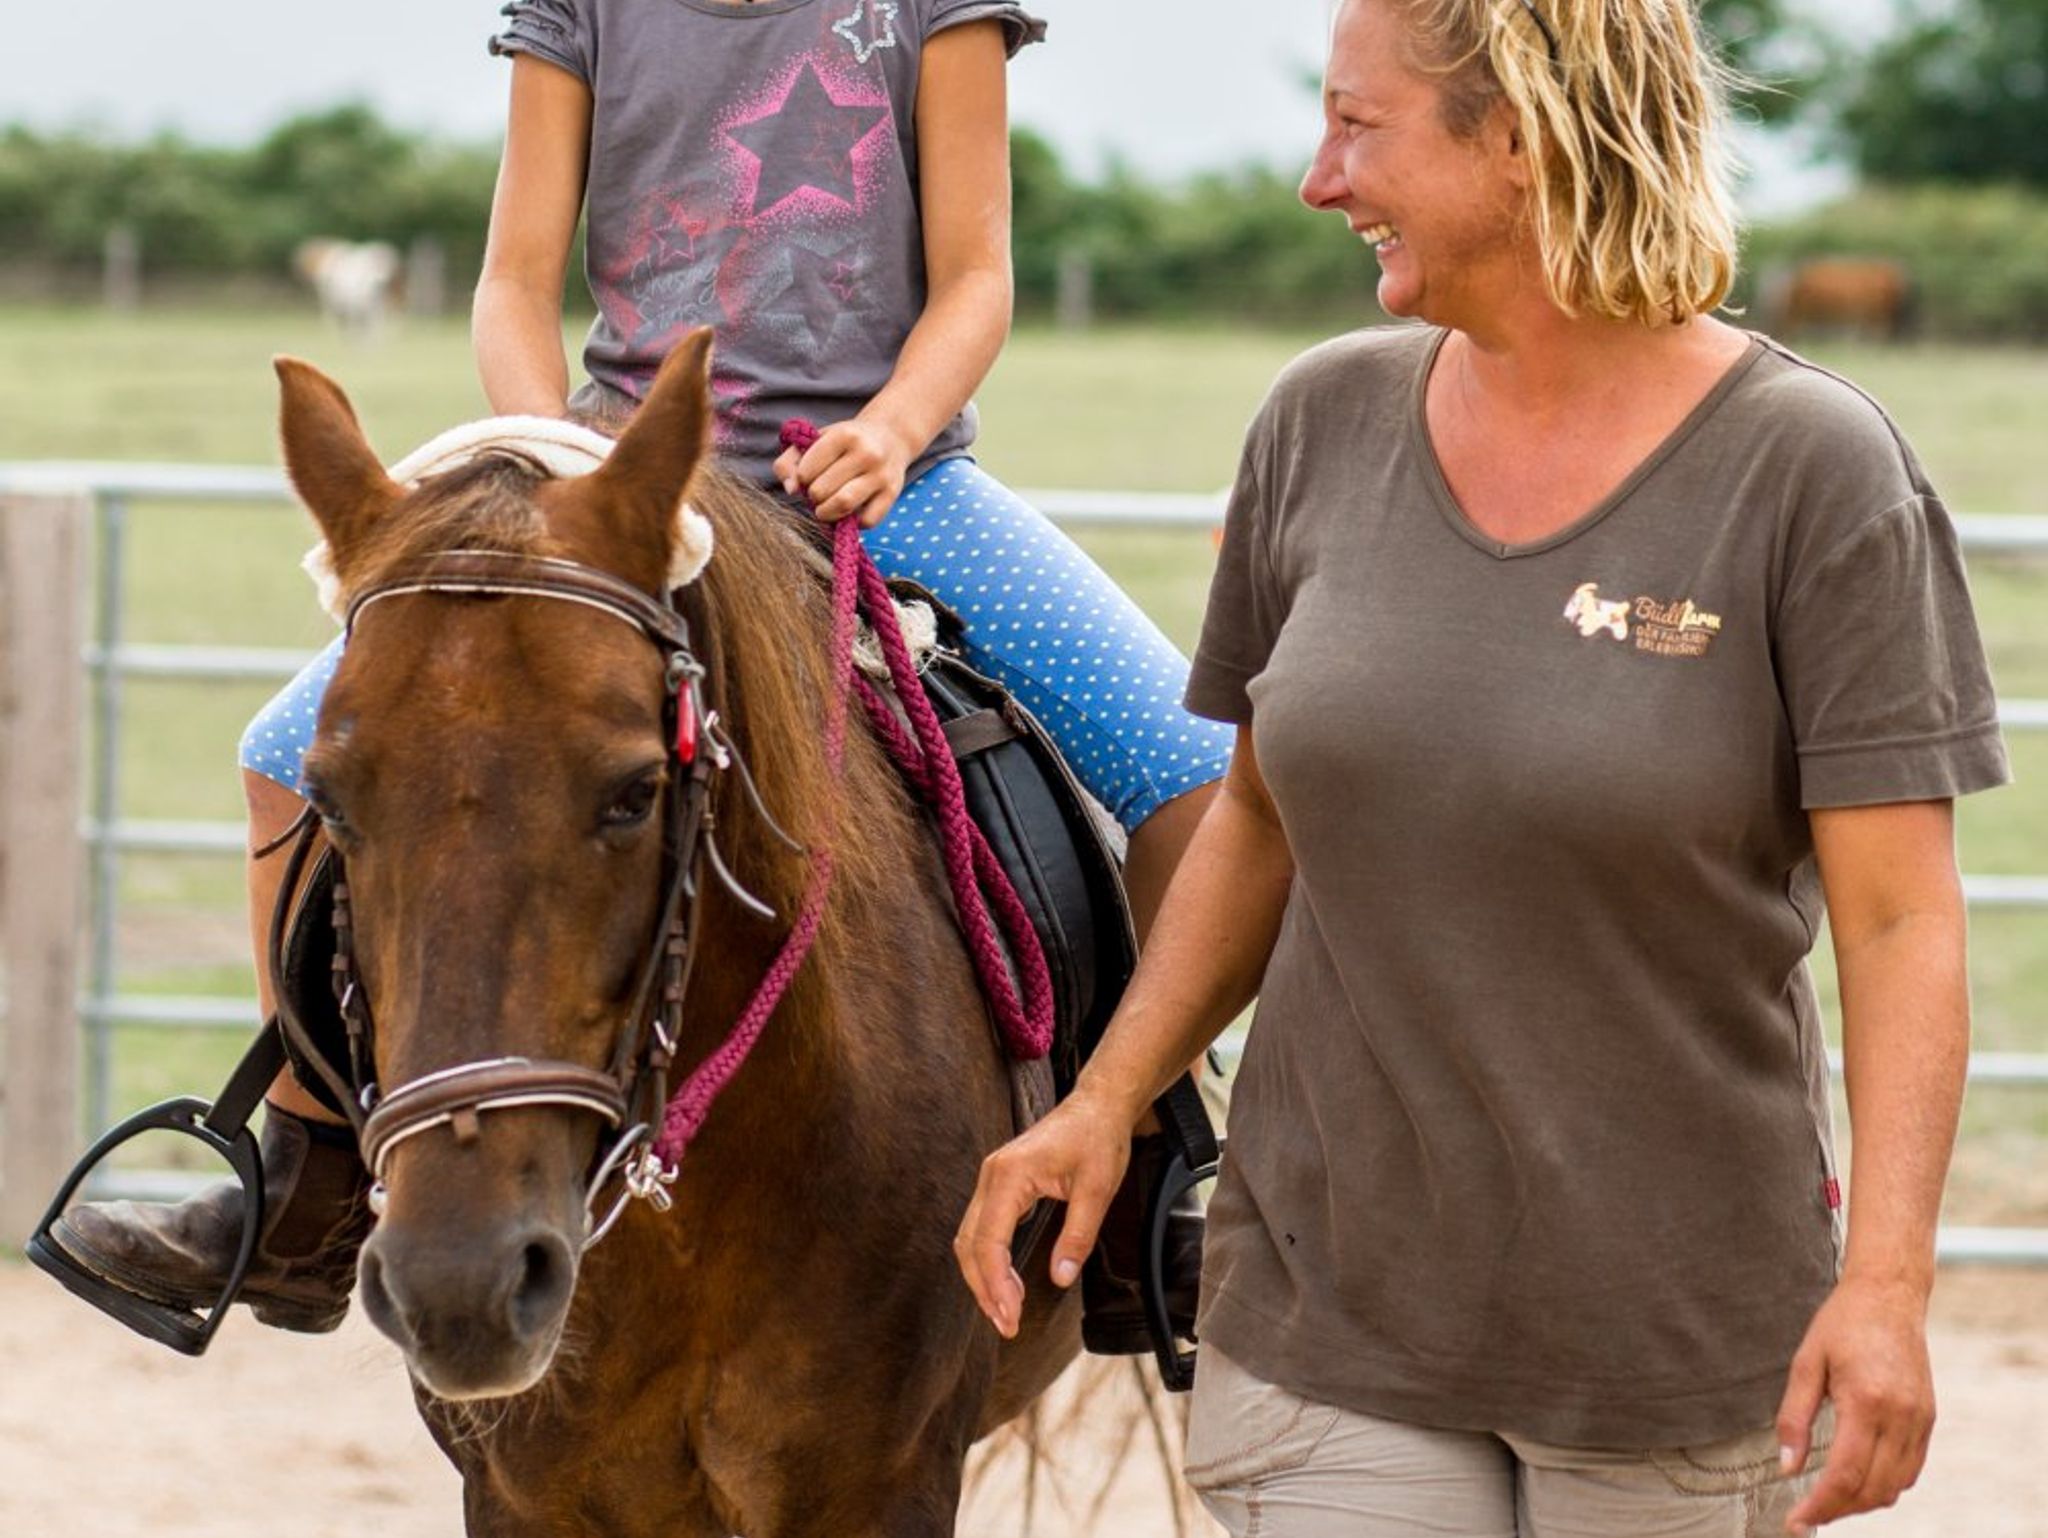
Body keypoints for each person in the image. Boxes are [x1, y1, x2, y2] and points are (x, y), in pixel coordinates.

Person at [953, 0, 2009, 1531]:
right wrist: (1110, 1094)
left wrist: (1889, 1283)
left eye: (1357, 125)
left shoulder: (1814, 472)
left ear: (1516, 136)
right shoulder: (1317, 422)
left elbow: (1904, 921)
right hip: (1327, 1323)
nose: (1320, 179)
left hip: (1675, 1355)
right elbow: (1257, 817)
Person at [50, 0, 1231, 1355]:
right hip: (623, 496)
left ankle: (1141, 1161)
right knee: (283, 749)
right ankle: (311, 1165)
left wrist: (893, 430)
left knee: (1190, 767)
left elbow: (976, 279)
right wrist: (558, 459)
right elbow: (515, 279)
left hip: (883, 483)